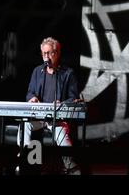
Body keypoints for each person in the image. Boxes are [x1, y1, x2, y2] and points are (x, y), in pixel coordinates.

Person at [17, 37, 80, 174]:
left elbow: (73, 97)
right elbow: (29, 92)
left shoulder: (67, 73)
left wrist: (62, 104)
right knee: (25, 125)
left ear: (56, 53)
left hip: (57, 119)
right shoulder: (37, 71)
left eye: (49, 53)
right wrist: (32, 98)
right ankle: (24, 158)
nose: (46, 57)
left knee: (63, 138)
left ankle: (70, 166)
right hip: (38, 117)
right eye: (44, 54)